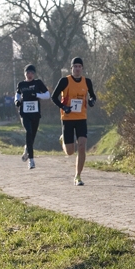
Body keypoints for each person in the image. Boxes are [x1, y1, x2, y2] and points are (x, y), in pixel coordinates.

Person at [51, 57, 97, 186]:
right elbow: (53, 97)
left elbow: (93, 95)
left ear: (82, 68)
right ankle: (63, 140)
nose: (77, 69)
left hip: (81, 118)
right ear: (71, 69)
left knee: (82, 146)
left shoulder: (87, 82)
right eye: (75, 66)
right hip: (67, 119)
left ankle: (78, 175)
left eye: (79, 66)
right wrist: (63, 107)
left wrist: (92, 101)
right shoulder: (65, 81)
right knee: (70, 152)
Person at [15, 64, 50, 169]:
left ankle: (27, 149)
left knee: (32, 136)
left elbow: (47, 95)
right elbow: (17, 94)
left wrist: (37, 95)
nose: (29, 75)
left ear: (34, 74)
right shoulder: (21, 84)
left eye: (31, 73)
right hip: (24, 113)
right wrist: (17, 101)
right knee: (28, 132)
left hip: (35, 114)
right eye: (27, 73)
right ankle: (31, 160)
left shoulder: (38, 83)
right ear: (24, 73)